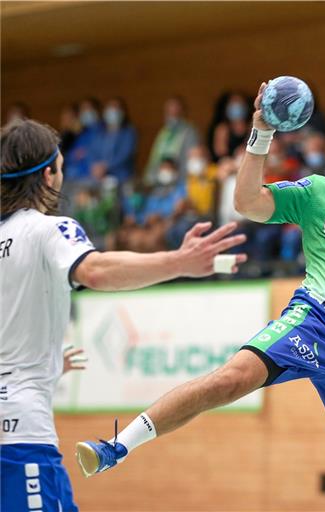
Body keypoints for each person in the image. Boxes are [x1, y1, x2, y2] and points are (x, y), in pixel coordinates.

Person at [75, 83, 325, 512]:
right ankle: (117, 446)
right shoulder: (319, 192)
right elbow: (247, 201)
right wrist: (260, 132)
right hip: (315, 324)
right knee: (230, 380)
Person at [0, 119, 247, 512]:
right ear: (49, 175)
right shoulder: (49, 230)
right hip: (20, 439)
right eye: (61, 168)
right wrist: (178, 261)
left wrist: (41, 361)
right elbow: (96, 271)